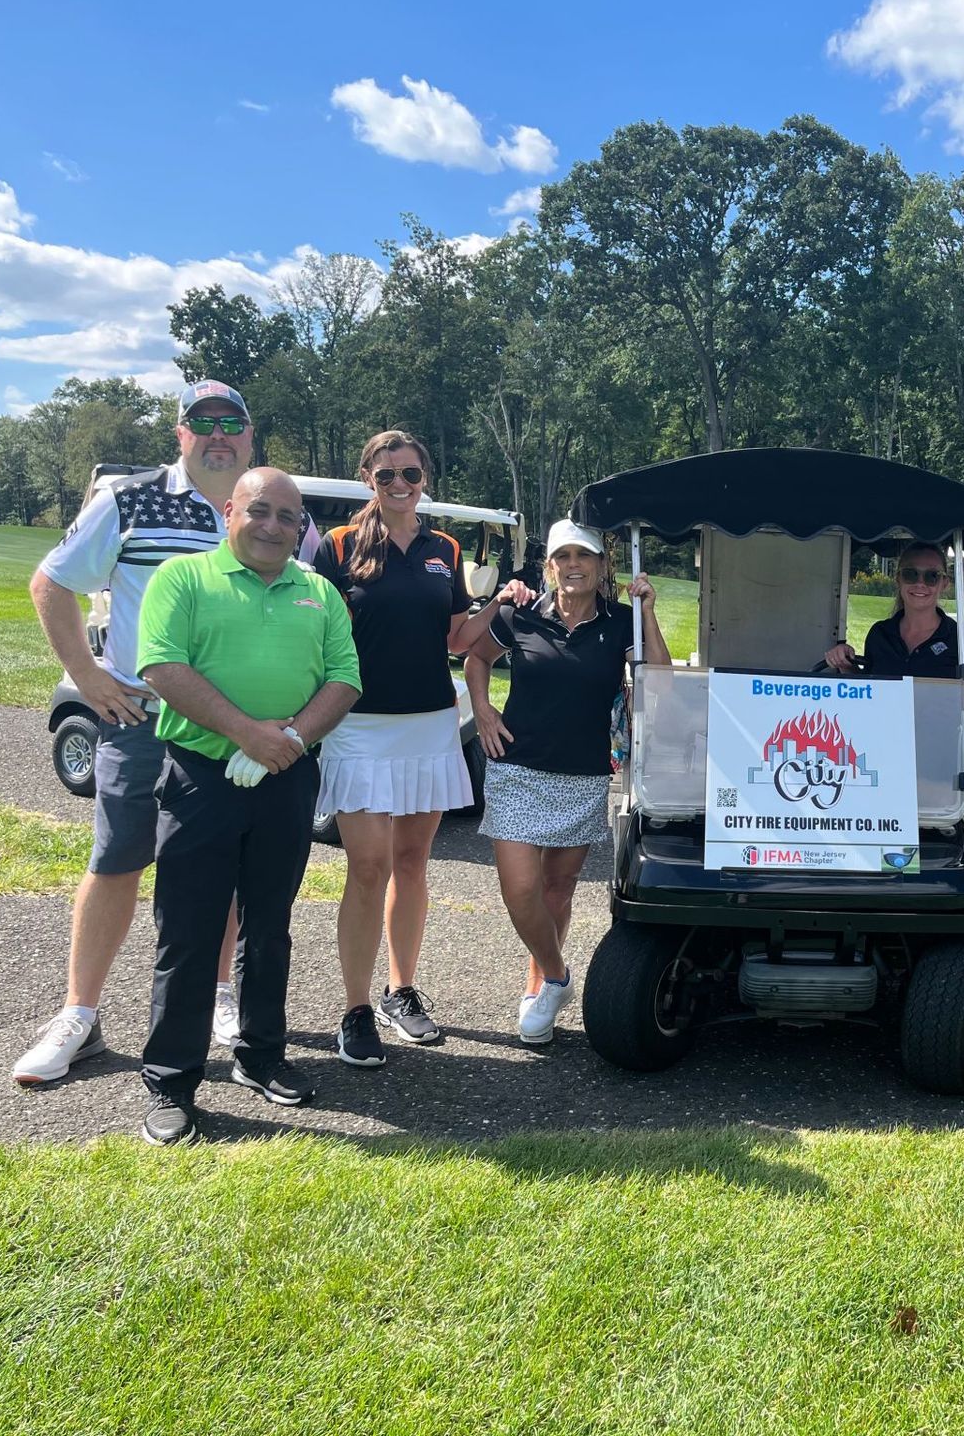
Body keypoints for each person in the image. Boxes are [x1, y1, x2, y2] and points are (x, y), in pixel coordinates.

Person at [13, 380, 268, 1086]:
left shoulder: (267, 512)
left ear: (249, 435)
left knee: (222, 869)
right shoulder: (129, 500)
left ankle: (219, 997)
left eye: (231, 422)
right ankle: (80, 1016)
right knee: (117, 861)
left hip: (232, 731)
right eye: (202, 422)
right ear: (179, 434)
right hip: (143, 722)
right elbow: (52, 581)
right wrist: (88, 676)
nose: (218, 434)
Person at [133, 469, 361, 1145]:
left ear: (301, 529)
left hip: (287, 776)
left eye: (287, 517)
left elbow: (345, 677)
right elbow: (161, 665)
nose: (272, 525)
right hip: (202, 774)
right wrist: (247, 733)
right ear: (229, 511)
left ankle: (260, 1056)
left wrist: (286, 739)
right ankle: (172, 1080)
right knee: (191, 930)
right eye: (258, 511)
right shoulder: (184, 579)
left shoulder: (318, 591)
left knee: (269, 927)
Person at [312, 430, 526, 1066]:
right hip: (359, 726)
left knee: (411, 863)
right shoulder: (339, 547)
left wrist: (497, 605)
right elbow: (318, 629)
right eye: (386, 476)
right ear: (368, 480)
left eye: (411, 474)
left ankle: (400, 992)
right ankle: (354, 1011)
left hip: (430, 722)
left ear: (425, 478)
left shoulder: (445, 548)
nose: (400, 486)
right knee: (368, 866)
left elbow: (458, 638)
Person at [465, 519, 670, 1044]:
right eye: (563, 557)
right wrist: (484, 711)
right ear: (550, 566)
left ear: (602, 567)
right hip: (515, 767)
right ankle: (558, 973)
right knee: (520, 889)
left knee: (557, 889)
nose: (573, 565)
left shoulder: (621, 622)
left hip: (581, 773)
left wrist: (647, 613)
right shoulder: (519, 613)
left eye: (585, 556)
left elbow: (661, 680)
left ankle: (539, 988)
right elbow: (476, 658)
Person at [823, 541, 964, 858]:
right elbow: (873, 703)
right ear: (898, 580)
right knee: (898, 866)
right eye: (911, 574)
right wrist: (845, 666)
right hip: (900, 771)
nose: (920, 584)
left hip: (960, 772)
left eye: (931, 576)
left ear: (944, 583)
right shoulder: (880, 636)